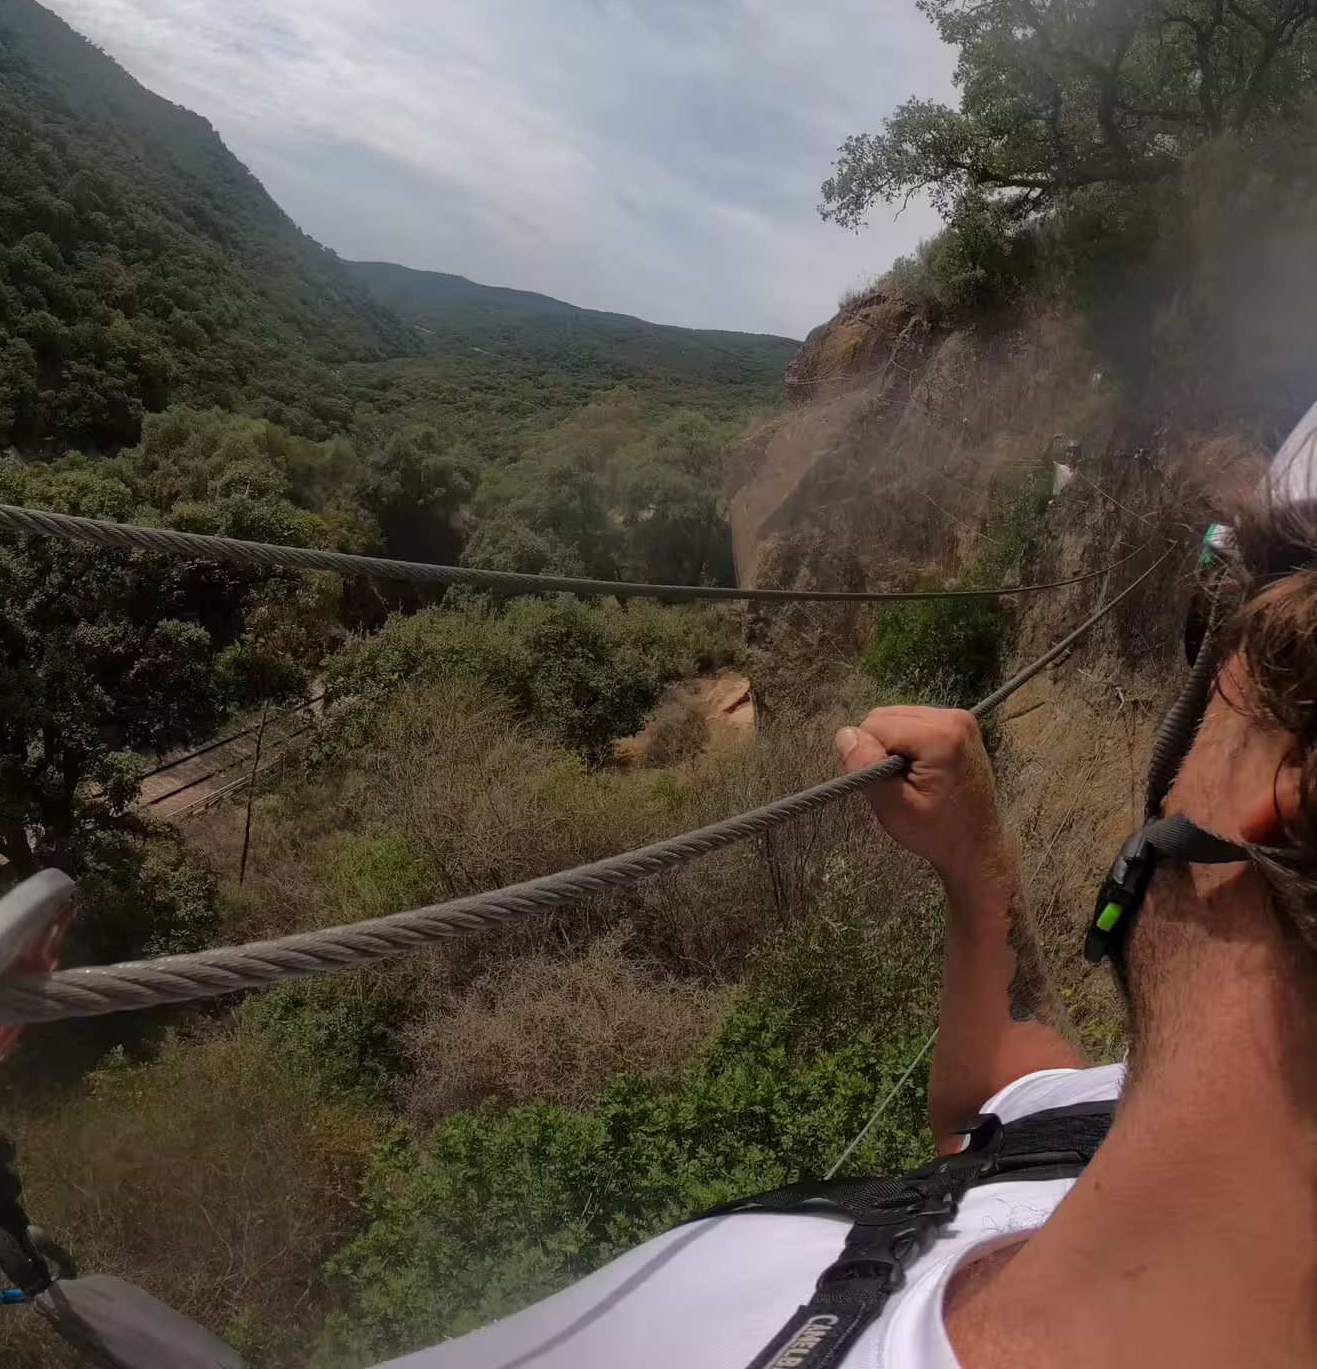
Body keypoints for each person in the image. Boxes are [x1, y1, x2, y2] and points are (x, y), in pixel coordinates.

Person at [375, 488, 1317, 1368]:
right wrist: (974, 861)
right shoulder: (1128, 1121)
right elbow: (1006, 1109)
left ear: (1292, 795)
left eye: (1216, 640)